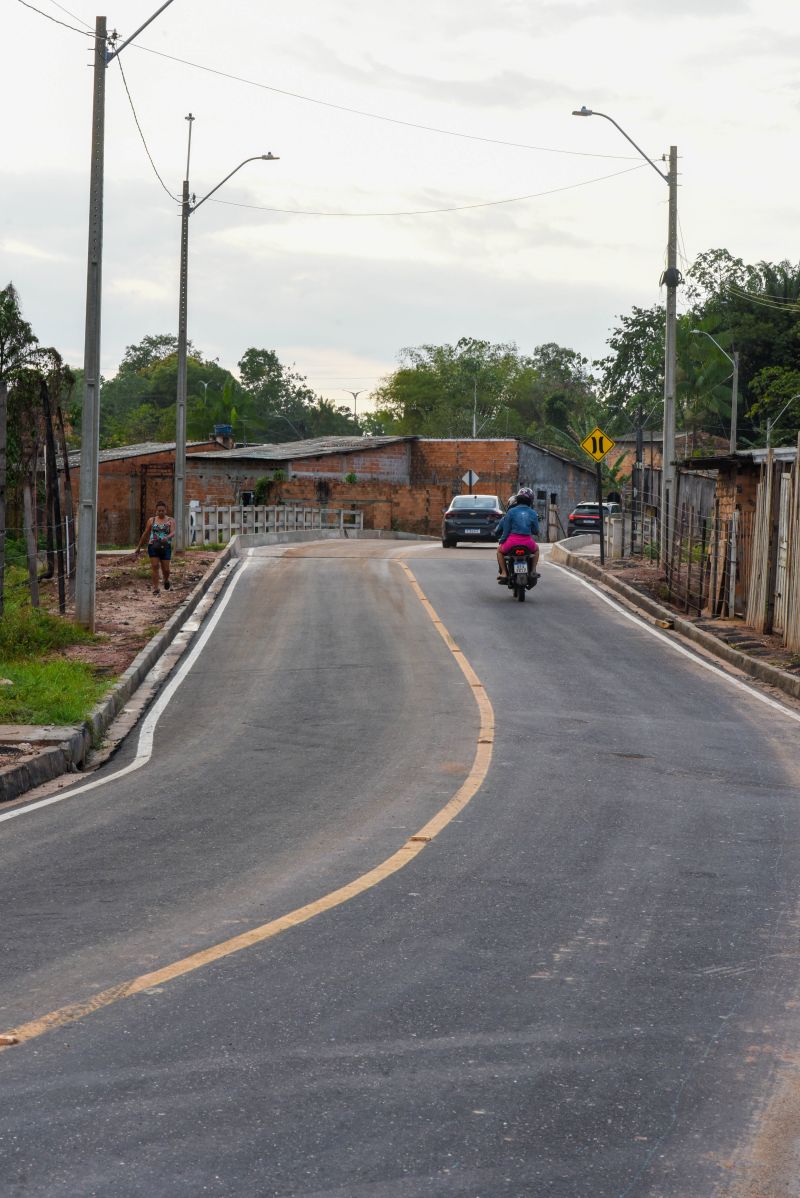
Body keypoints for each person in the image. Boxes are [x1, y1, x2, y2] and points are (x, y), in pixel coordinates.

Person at [494, 487, 540, 581]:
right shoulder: (533, 513)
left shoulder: (510, 512)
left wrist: (502, 541)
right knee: (537, 550)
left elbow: (506, 530)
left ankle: (503, 573)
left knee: (499, 551)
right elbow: (536, 530)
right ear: (531, 501)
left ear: (517, 499)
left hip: (512, 542)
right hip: (528, 542)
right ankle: (533, 571)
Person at [136, 500, 176, 594]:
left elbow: (173, 532)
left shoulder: (170, 520)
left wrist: (167, 537)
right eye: (159, 511)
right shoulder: (151, 520)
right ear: (156, 511)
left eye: (162, 510)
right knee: (155, 566)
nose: (161, 512)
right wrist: (139, 547)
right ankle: (156, 588)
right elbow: (145, 533)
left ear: (166, 510)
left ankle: (166, 580)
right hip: (153, 546)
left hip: (165, 547)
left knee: (166, 569)